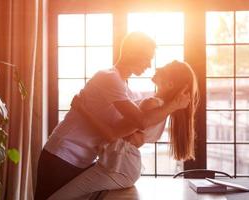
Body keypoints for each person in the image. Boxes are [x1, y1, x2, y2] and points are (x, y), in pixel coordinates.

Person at [34, 32, 189, 200]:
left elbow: (133, 131)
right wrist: (174, 105)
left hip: (83, 159)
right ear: (130, 53)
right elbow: (141, 121)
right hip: (62, 154)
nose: (149, 65)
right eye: (146, 58)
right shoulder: (109, 78)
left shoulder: (125, 88)